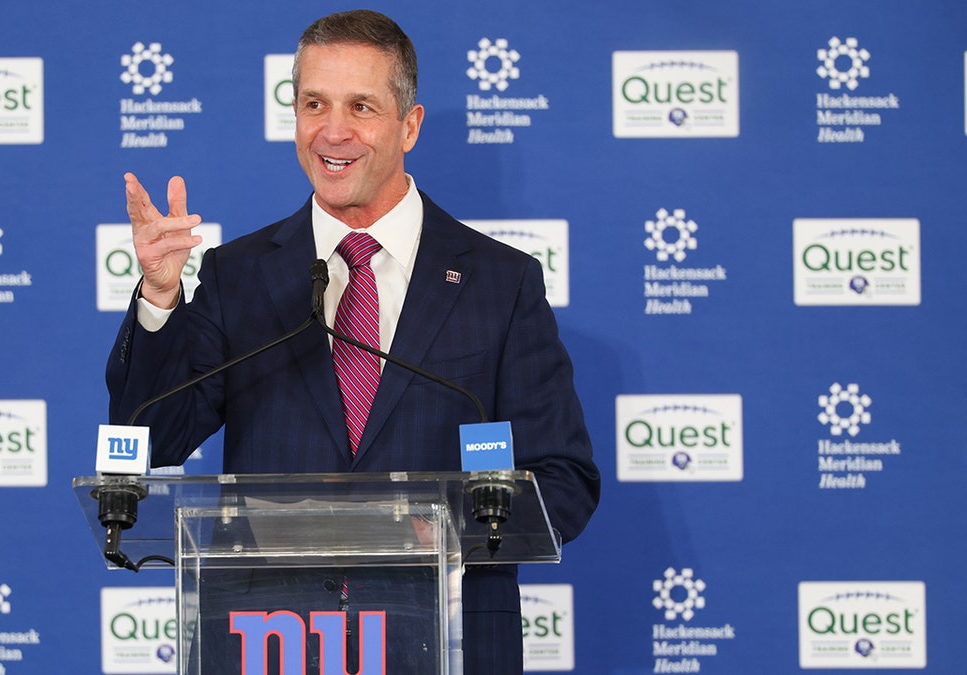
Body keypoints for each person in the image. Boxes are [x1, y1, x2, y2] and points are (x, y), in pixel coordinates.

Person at [107, 9, 600, 673]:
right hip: (270, 643)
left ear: (409, 125)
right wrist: (162, 296)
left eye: (360, 106)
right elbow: (155, 438)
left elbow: (563, 481)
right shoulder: (241, 275)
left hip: (443, 639)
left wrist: (448, 533)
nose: (332, 131)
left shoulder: (500, 283)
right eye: (314, 103)